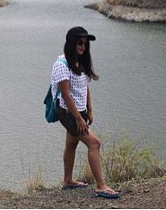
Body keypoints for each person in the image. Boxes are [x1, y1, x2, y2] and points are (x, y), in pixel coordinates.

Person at [50, 26, 119, 199]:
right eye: (80, 43)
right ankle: (101, 186)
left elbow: (84, 87)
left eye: (85, 44)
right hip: (67, 111)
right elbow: (65, 95)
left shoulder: (80, 62)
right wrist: (79, 118)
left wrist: (89, 109)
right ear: (71, 43)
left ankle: (68, 181)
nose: (83, 46)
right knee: (94, 143)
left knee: (71, 144)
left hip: (78, 111)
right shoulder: (61, 65)